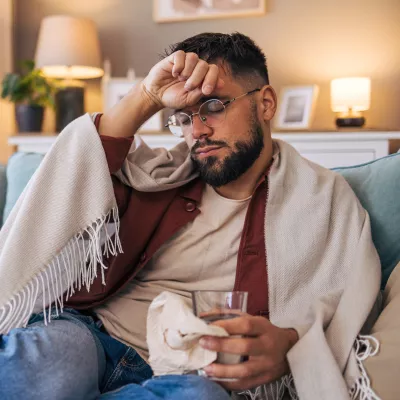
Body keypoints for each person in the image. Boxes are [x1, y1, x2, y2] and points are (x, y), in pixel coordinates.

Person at [0, 32, 380, 400]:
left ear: (265, 104)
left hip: (191, 372)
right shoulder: (153, 177)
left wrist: (293, 348)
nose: (197, 131)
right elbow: (82, 165)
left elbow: (345, 310)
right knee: (39, 371)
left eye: (214, 106)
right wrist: (148, 95)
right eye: (182, 118)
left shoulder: (322, 198)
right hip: (90, 337)